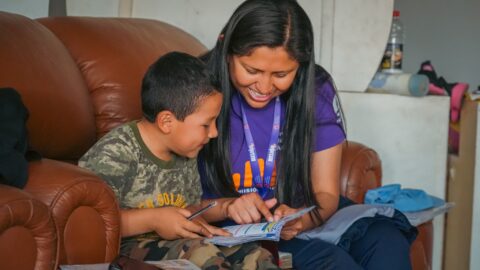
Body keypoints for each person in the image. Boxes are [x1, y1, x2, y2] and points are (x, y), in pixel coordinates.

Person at [197, 0, 417, 269]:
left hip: (298, 215)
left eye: (281, 74)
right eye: (251, 70)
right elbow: (171, 201)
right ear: (225, 48)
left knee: (387, 240)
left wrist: (302, 220)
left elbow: (325, 193)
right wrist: (228, 205)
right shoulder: (196, 87)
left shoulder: (315, 88)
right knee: (334, 263)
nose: (264, 86)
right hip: (233, 228)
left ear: (300, 66)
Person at [79, 51, 280, 270]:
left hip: (186, 241)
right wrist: (154, 219)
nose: (214, 133)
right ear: (167, 122)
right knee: (204, 254)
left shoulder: (185, 150)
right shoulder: (116, 151)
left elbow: (191, 208)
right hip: (130, 246)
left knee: (256, 254)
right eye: (206, 124)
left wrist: (227, 207)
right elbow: (91, 221)